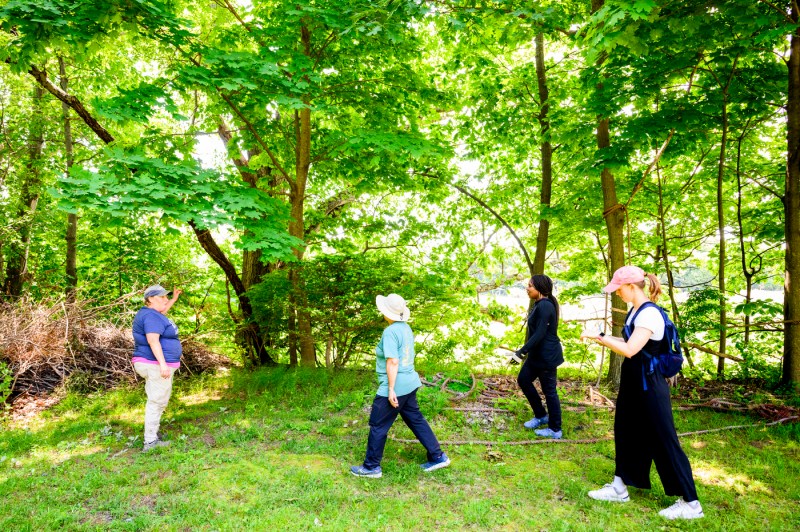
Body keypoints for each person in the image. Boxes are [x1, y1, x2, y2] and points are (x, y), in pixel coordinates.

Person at [580, 266, 703, 520]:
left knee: (663, 438)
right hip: (633, 380)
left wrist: (599, 336)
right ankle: (619, 487)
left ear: (632, 287)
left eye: (619, 289)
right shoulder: (634, 310)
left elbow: (630, 349)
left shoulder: (649, 315)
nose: (618, 293)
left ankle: (691, 504)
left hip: (650, 384)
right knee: (625, 430)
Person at [350, 293, 450, 478]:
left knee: (378, 424)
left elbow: (393, 362)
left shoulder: (390, 332)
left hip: (397, 385)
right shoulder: (405, 328)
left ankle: (371, 467)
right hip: (410, 382)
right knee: (415, 419)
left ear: (386, 312)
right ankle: (438, 456)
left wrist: (391, 389)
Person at [131, 284, 183, 452]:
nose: (165, 300)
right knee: (157, 401)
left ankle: (152, 434)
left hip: (153, 363)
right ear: (150, 299)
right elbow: (153, 341)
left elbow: (163, 311)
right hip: (154, 364)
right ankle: (150, 442)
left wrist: (173, 299)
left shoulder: (152, 314)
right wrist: (163, 364)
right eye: (162, 297)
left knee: (158, 399)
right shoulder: (151, 316)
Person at [512, 274, 564, 439]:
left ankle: (555, 429)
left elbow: (540, 333)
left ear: (539, 288)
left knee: (550, 392)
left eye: (530, 286)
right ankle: (541, 415)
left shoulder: (545, 306)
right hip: (536, 355)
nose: (527, 288)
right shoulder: (539, 304)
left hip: (547, 357)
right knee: (523, 380)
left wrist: (521, 352)